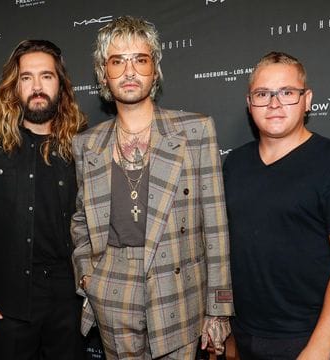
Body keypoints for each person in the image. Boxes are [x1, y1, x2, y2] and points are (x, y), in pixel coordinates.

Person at [71, 16, 234, 359]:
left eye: (140, 60)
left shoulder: (195, 131)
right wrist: (88, 278)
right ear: (103, 73)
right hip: (111, 288)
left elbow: (216, 226)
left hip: (178, 289)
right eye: (117, 61)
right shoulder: (87, 144)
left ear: (155, 70)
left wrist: (218, 307)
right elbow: (81, 221)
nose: (129, 72)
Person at [223, 51, 330, 359]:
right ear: (249, 102)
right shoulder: (234, 163)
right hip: (244, 335)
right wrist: (228, 331)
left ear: (307, 100)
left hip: (306, 338)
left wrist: (320, 345)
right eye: (263, 93)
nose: (274, 103)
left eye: (287, 93)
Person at [0, 39, 87, 359]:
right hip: (7, 299)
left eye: (46, 76)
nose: (37, 86)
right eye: (26, 78)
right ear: (14, 87)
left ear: (62, 85)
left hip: (69, 298)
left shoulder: (84, 144)